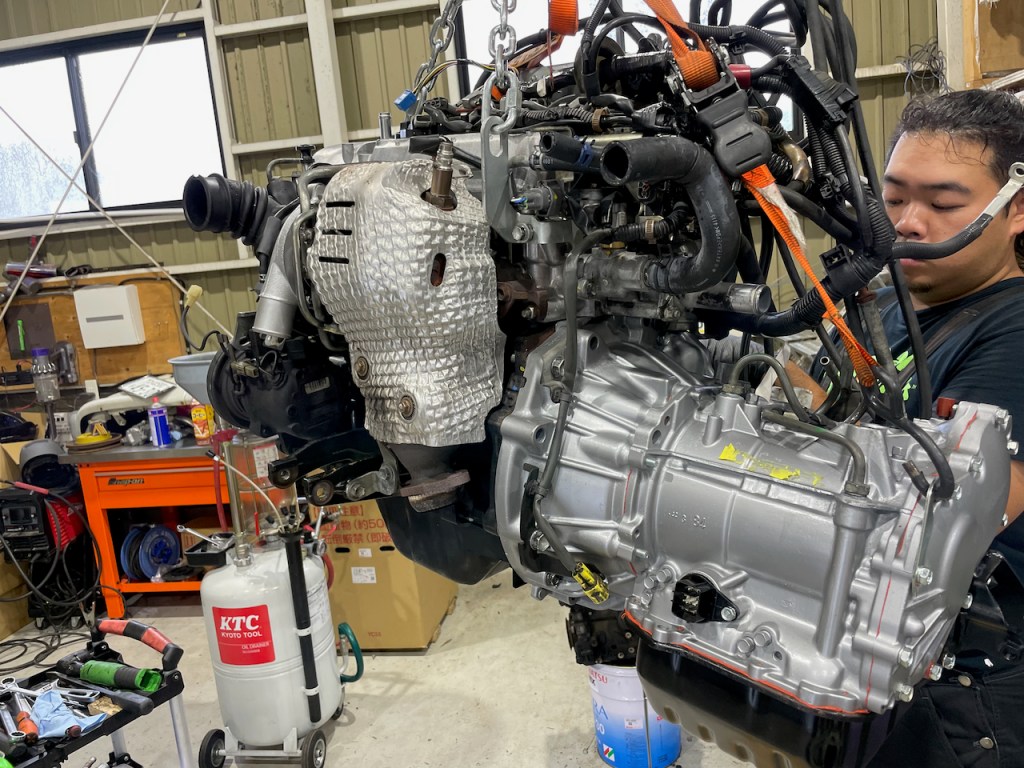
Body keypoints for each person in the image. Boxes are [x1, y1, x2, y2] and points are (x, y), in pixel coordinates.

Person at [789, 89, 1024, 767]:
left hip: (961, 681)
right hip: (863, 644)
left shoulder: (1012, 333)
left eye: (943, 204)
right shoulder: (890, 296)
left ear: (1016, 210)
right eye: (892, 199)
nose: (909, 223)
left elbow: (952, 526)